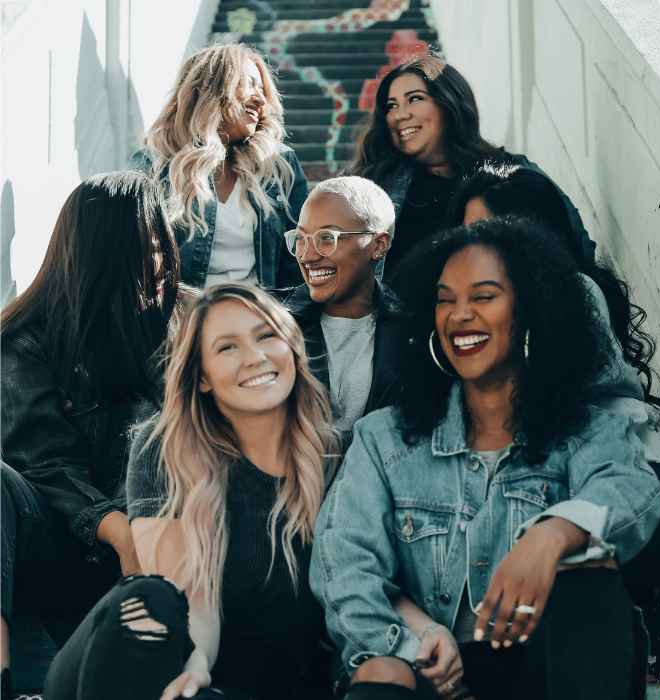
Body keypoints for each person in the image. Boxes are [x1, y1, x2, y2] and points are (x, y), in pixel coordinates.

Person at [310, 218, 660, 700]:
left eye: (483, 297)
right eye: (445, 299)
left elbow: (632, 490)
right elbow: (344, 567)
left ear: (529, 311)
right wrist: (418, 643)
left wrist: (552, 535)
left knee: (588, 587)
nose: (459, 315)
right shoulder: (385, 439)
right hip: (427, 674)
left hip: (542, 675)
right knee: (379, 672)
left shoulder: (587, 432)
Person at [446, 161, 660, 679]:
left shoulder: (569, 293)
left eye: (487, 234)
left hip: (629, 481)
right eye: (465, 236)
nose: (470, 251)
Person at [43, 284, 338, 700]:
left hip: (277, 686)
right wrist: (197, 661)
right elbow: (186, 598)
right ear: (201, 378)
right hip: (169, 671)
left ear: (291, 345)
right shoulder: (165, 450)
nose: (254, 357)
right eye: (227, 348)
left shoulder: (339, 455)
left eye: (267, 335)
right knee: (147, 599)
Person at [1, 171, 180, 697]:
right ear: (102, 256)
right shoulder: (25, 338)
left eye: (162, 245)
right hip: (61, 543)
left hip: (168, 532)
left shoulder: (187, 320)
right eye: (146, 248)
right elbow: (44, 464)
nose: (160, 262)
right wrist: (117, 528)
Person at [348, 55, 594, 282]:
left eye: (414, 99)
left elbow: (571, 250)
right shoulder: (375, 186)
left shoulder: (513, 175)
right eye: (391, 106)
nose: (400, 115)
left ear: (449, 103)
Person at [133, 43, 308, 289]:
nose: (260, 100)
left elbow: (299, 262)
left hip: (257, 318)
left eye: (262, 89)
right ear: (212, 88)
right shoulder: (155, 165)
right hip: (183, 321)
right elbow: (136, 261)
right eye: (249, 84)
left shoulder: (279, 166)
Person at [279, 176, 405, 444]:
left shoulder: (411, 331)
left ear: (378, 245)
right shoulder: (273, 324)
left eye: (327, 238)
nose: (308, 255)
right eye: (301, 239)